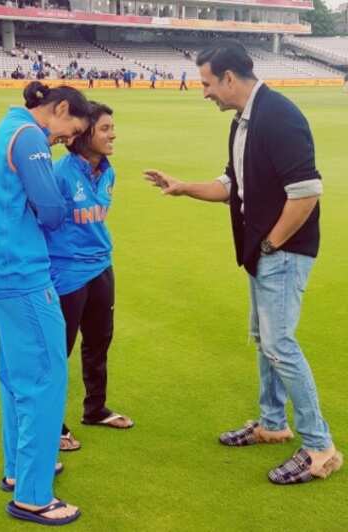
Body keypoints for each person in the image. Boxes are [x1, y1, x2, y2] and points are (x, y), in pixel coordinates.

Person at [144, 40, 343, 485]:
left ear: (229, 78)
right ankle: (273, 424)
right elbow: (230, 184)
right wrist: (183, 187)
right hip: (261, 252)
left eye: (208, 83)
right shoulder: (243, 121)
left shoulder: (279, 116)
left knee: (280, 345)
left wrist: (271, 244)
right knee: (265, 341)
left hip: (283, 252)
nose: (205, 92)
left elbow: (307, 192)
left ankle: (320, 448)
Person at [0, 81, 90, 525]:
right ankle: (33, 495)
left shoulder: (5, 128)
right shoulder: (28, 137)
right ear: (58, 107)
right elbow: (53, 209)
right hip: (23, 274)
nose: (60, 142)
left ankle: (18, 471)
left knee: (15, 378)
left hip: (0, 270)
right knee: (44, 379)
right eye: (65, 133)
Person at [44, 102, 133, 452]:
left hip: (101, 267)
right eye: (106, 129)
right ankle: (53, 424)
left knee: (99, 342)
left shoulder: (108, 171)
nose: (113, 134)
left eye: (113, 127)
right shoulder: (60, 174)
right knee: (59, 351)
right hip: (66, 273)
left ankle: (95, 409)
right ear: (84, 136)